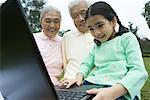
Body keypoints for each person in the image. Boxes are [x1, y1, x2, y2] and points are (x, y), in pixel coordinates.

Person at [60, 1, 148, 100]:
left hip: (119, 88)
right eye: (91, 29)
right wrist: (79, 77)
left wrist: (113, 92)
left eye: (100, 25)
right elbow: (87, 63)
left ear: (113, 21)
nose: (96, 33)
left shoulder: (126, 38)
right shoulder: (97, 45)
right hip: (92, 84)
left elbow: (138, 71)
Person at [61, 0, 94, 81]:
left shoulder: (103, 34)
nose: (80, 19)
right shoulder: (67, 37)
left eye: (83, 13)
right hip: (69, 83)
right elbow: (65, 65)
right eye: (75, 16)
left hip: (94, 83)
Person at [33, 6, 63, 85]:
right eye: (48, 21)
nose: (52, 25)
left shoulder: (63, 42)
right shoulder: (32, 39)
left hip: (56, 87)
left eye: (56, 21)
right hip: (33, 83)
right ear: (41, 21)